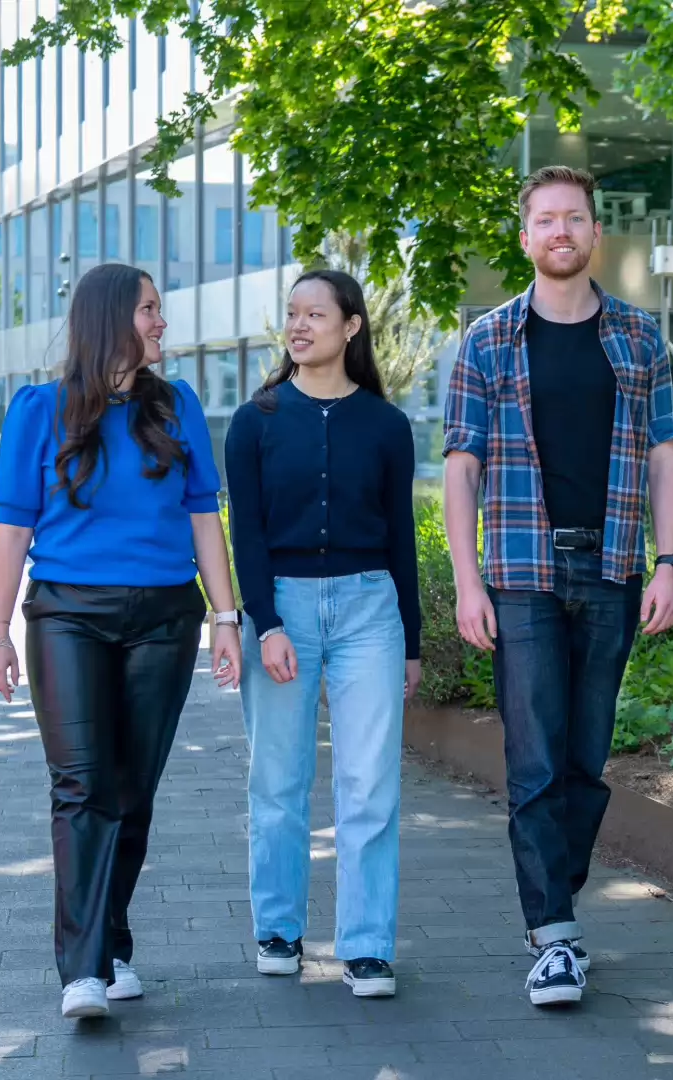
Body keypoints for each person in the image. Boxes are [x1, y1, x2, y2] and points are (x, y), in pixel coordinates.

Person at [442, 166, 673, 1007]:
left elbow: (664, 456)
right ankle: (553, 935)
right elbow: (462, 467)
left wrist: (668, 560)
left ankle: (557, 902)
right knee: (535, 760)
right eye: (544, 219)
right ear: (525, 237)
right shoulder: (486, 340)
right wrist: (466, 582)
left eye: (573, 219)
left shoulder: (639, 337)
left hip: (613, 567)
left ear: (593, 235)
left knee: (585, 762)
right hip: (519, 574)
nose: (559, 232)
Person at [0, 263, 242, 1020]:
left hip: (166, 620)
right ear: (110, 320)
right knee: (81, 786)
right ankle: (83, 968)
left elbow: (203, 519)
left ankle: (113, 941)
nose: (163, 322)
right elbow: (12, 531)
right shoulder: (40, 409)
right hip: (67, 616)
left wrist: (225, 619)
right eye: (150, 310)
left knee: (132, 791)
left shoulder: (179, 405)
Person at [225, 269, 421, 999]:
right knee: (277, 779)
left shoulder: (387, 425)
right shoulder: (256, 421)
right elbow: (244, 531)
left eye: (316, 313)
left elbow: (400, 535)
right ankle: (278, 931)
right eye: (292, 313)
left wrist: (412, 643)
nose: (299, 325)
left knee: (371, 782)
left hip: (371, 608)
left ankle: (366, 947)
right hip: (284, 609)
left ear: (352, 326)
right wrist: (265, 622)